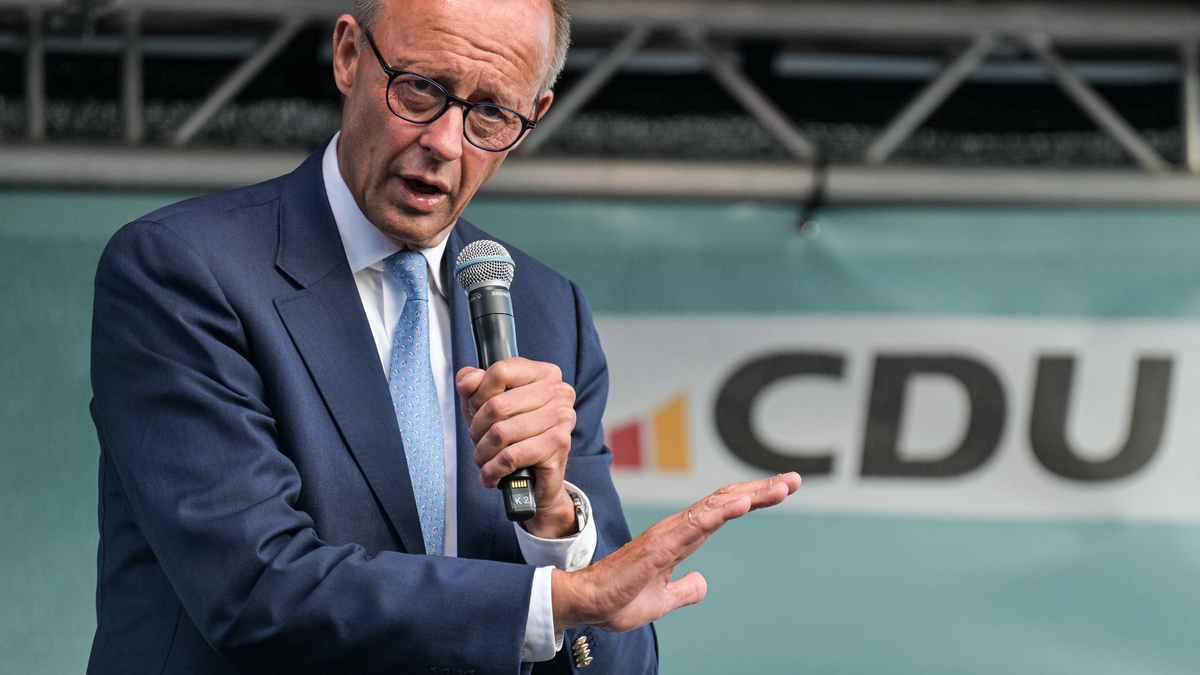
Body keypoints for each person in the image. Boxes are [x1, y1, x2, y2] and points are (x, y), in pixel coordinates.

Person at [86, 0, 802, 672]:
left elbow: (612, 655)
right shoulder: (183, 269)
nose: (444, 142)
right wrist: (559, 601)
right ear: (347, 55)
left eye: (490, 113)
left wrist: (554, 524)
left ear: (535, 115)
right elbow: (253, 589)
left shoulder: (549, 310)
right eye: (421, 89)